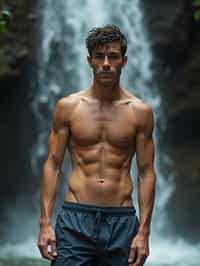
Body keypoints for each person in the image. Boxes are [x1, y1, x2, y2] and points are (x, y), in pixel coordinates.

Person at [37, 24, 156, 266]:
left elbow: (146, 173)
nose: (105, 63)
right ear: (89, 60)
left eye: (112, 56)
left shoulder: (140, 112)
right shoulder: (68, 107)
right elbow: (53, 165)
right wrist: (45, 223)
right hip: (75, 219)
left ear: (124, 61)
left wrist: (143, 232)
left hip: (121, 221)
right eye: (99, 56)